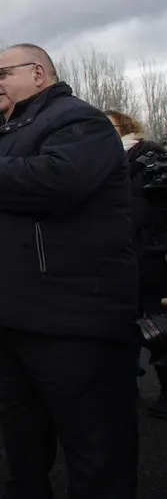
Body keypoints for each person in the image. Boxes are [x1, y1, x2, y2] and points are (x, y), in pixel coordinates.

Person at [0, 43, 139, 499]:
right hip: (13, 317)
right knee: (23, 442)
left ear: (38, 73)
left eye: (1, 73)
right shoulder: (8, 131)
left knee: (94, 449)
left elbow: (57, 179)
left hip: (70, 320)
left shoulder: (78, 120)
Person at [105, 108, 167, 418]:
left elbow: (147, 207)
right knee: (122, 325)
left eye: (108, 126)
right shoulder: (104, 160)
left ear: (124, 127)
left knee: (156, 326)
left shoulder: (148, 154)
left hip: (148, 254)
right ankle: (125, 385)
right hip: (118, 256)